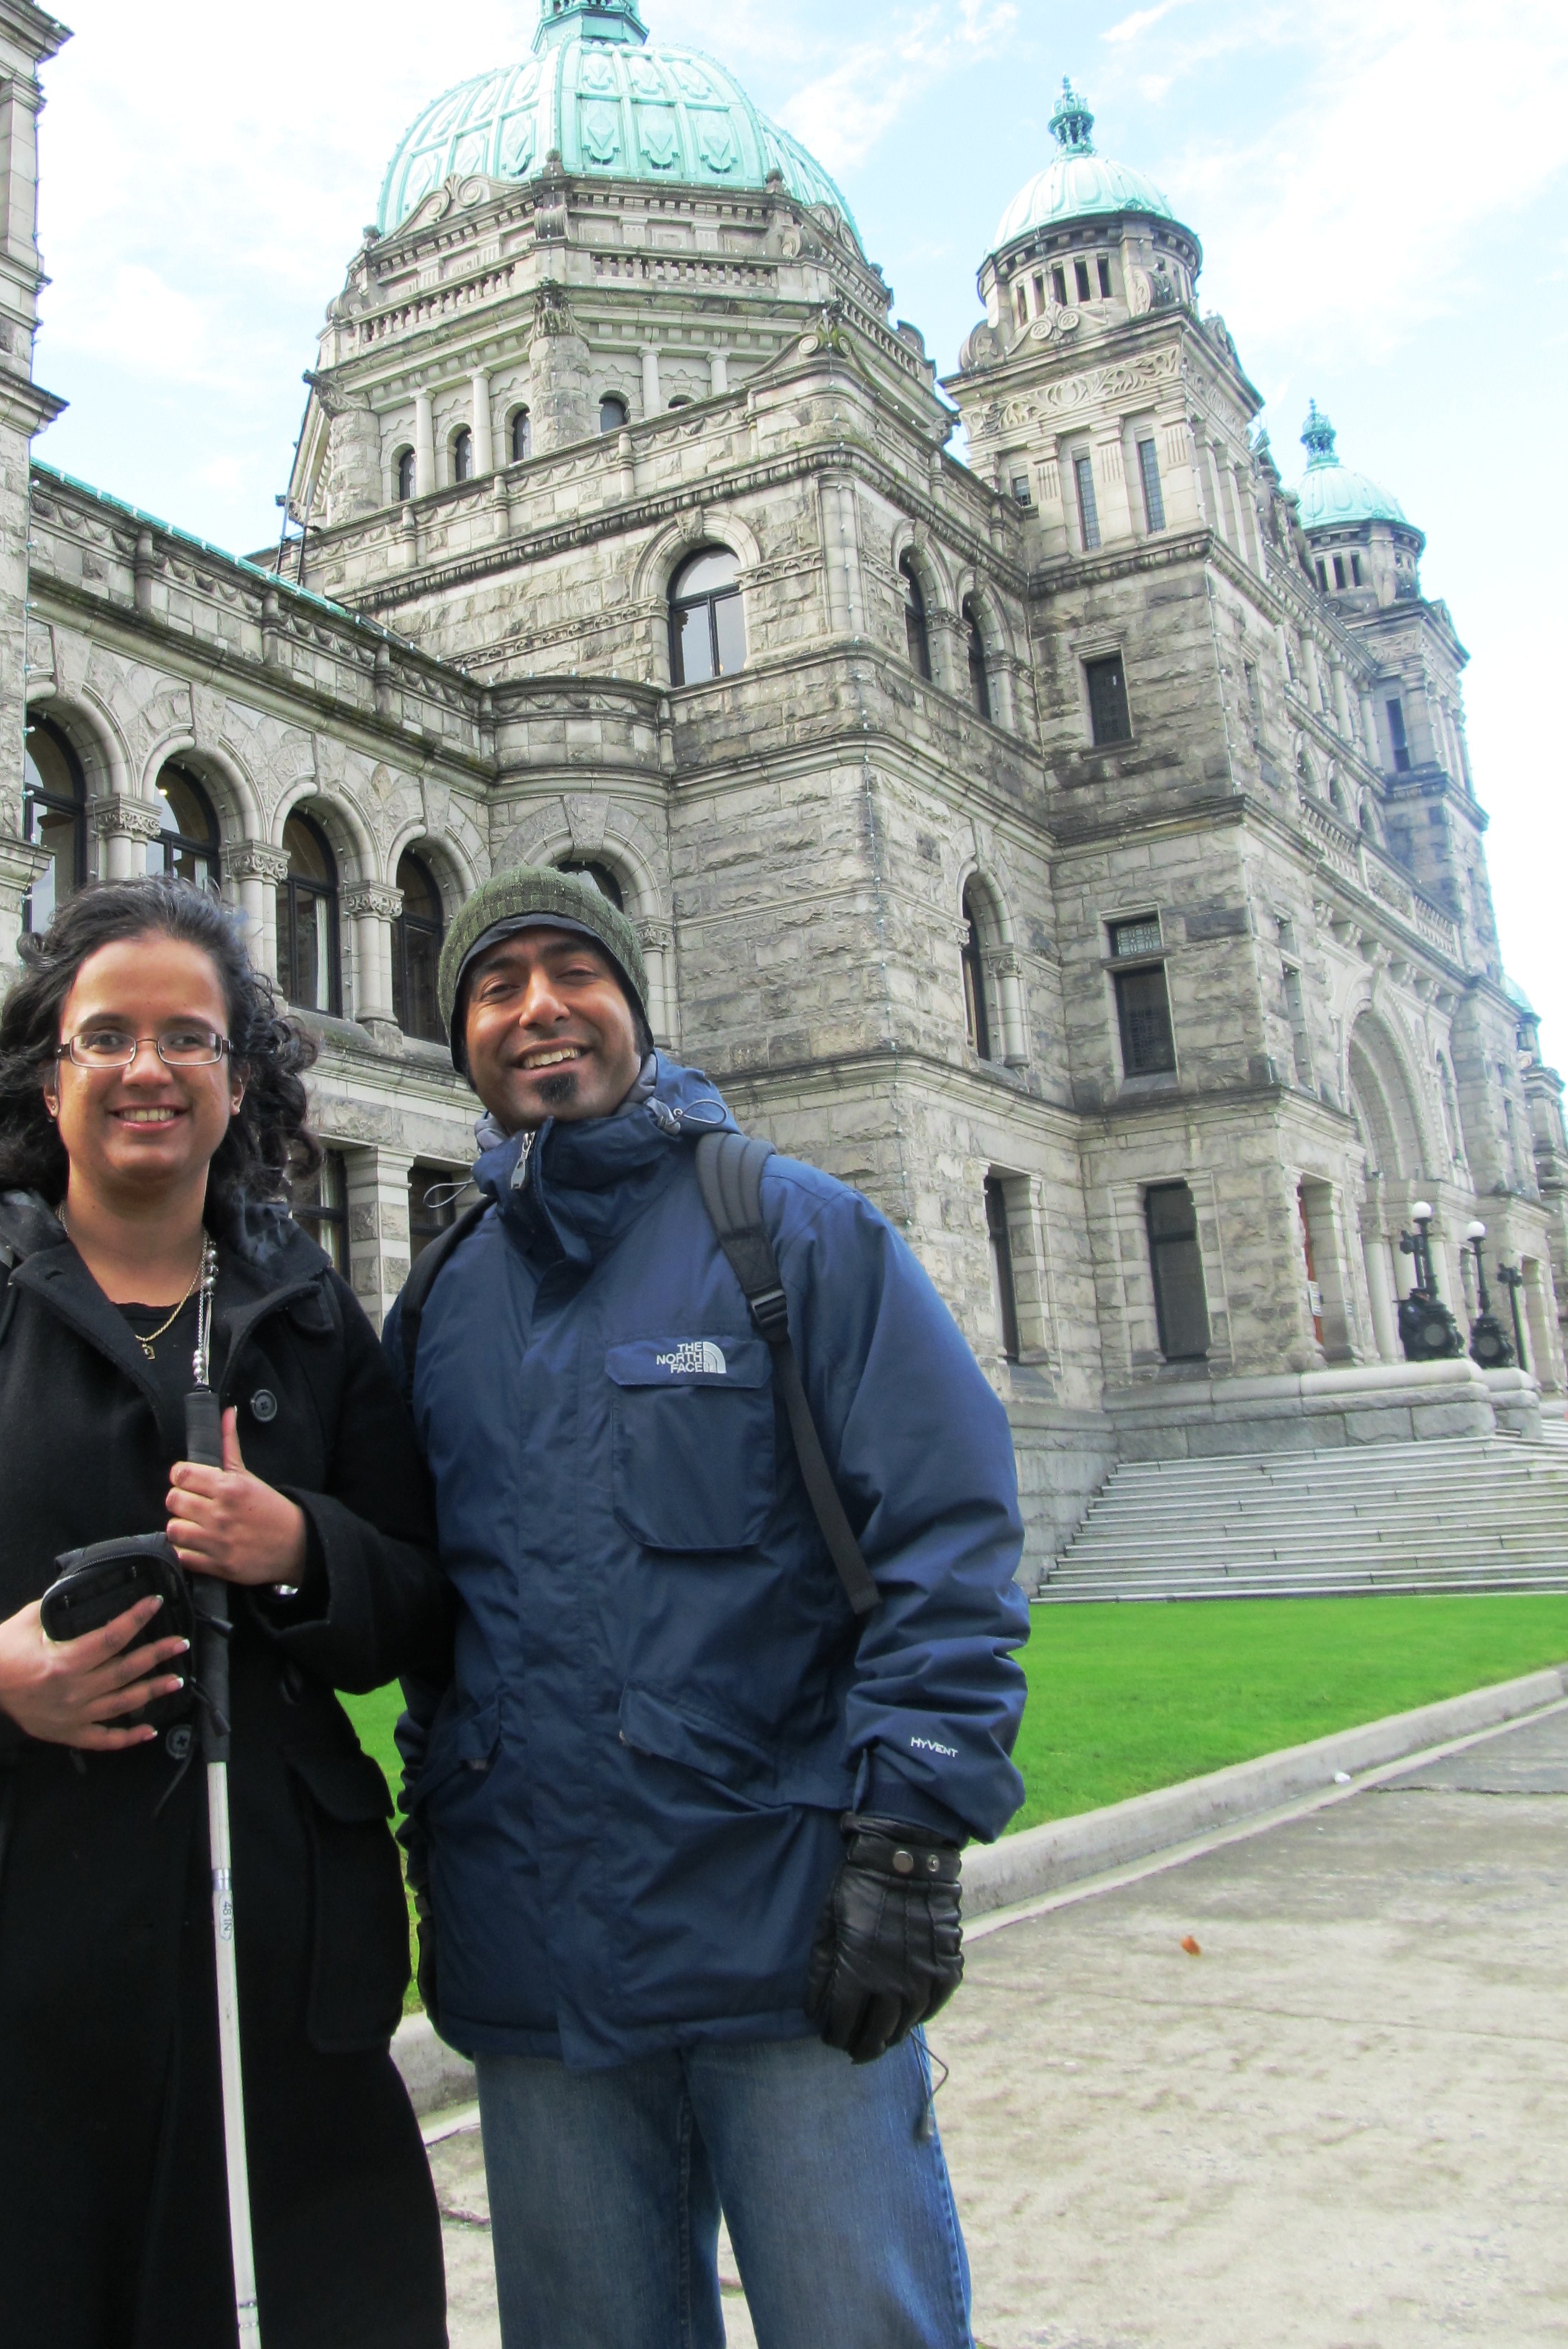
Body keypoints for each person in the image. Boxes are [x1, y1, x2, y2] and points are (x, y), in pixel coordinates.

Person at [0, 877, 449, 2349]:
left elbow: (412, 1593)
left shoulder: (312, 1307)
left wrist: (297, 1547)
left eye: (188, 1035)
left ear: (240, 1077)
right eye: (108, 1035)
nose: (149, 1065)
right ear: (50, 1072)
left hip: (259, 1975)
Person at [389, 864, 1028, 2349]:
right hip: (538, 1957)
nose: (540, 1007)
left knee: (858, 2324)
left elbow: (944, 1533)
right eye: (497, 984)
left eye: (574, 971)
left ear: (632, 1003)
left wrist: (909, 1843)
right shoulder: (445, 1295)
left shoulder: (791, 1230)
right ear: (465, 1039)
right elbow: (422, 1602)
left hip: (790, 1938)